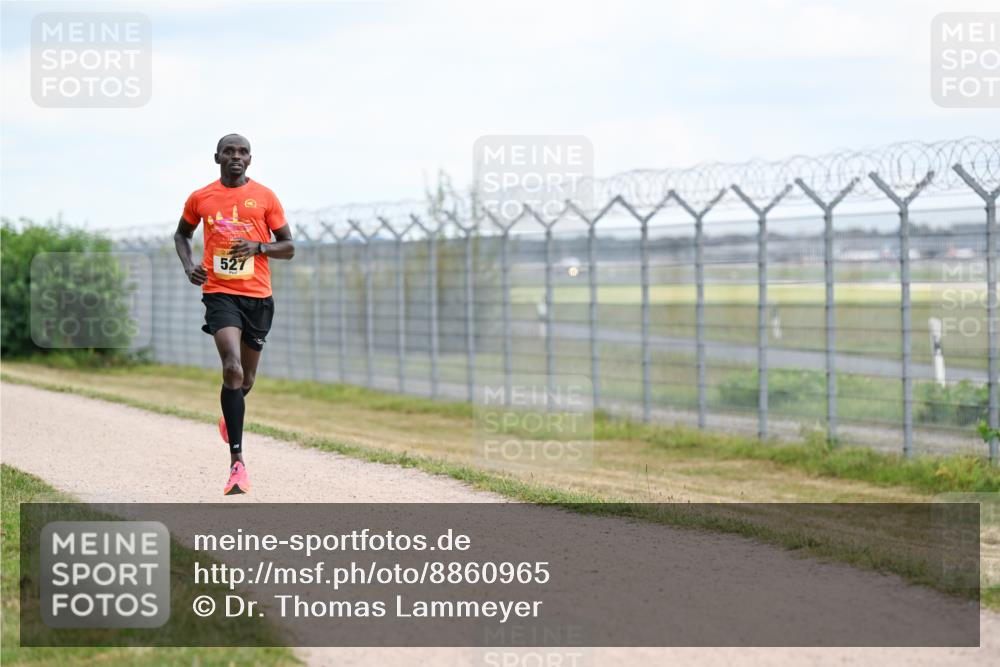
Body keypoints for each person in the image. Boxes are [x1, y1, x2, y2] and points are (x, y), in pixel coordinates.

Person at [174, 133, 295, 495]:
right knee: (231, 367)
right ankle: (237, 465)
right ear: (217, 158)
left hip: (258, 297)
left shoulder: (266, 197)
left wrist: (258, 246)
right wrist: (188, 265)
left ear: (250, 160)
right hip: (219, 293)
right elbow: (181, 236)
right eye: (229, 152)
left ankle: (231, 414)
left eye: (242, 152)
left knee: (246, 382)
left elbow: (289, 247)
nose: (236, 157)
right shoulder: (201, 197)